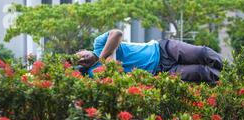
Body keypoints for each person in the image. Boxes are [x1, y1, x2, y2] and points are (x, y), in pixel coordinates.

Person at [76, 29, 223, 83]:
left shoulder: (98, 43)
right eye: (80, 62)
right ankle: (225, 79)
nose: (83, 59)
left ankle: (227, 69)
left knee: (202, 53)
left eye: (80, 55)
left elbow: (117, 34)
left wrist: (104, 58)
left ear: (83, 49)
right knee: (200, 72)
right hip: (160, 73)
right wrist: (110, 60)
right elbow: (113, 79)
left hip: (162, 49)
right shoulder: (92, 73)